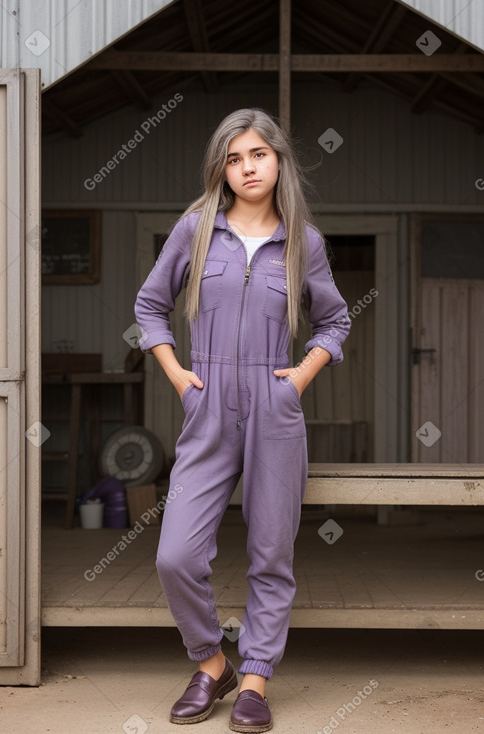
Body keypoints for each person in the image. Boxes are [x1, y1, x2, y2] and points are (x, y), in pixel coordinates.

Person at [134, 108, 350, 733]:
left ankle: (254, 679)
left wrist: (302, 375)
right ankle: (209, 662)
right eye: (233, 158)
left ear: (278, 159)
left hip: (274, 402)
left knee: (270, 552)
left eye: (257, 154)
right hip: (207, 400)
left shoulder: (303, 240)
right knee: (176, 554)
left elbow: (335, 321)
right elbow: (151, 305)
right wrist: (177, 374)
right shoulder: (196, 228)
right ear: (220, 169)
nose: (246, 167)